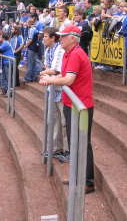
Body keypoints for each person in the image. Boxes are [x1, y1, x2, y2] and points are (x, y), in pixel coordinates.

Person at [39, 25, 95, 194]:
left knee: (82, 143)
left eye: (63, 36)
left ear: (72, 38)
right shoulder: (69, 53)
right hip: (72, 104)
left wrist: (50, 80)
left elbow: (69, 80)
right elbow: (64, 76)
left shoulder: (76, 53)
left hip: (81, 106)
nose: (60, 38)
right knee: (74, 143)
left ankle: (87, 181)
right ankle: (78, 177)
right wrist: (52, 76)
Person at [40, 27, 68, 162]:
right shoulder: (48, 50)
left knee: (64, 121)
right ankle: (57, 149)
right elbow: (47, 68)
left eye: (46, 36)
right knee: (55, 120)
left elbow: (56, 70)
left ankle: (68, 151)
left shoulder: (59, 49)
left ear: (53, 38)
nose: (43, 38)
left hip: (63, 90)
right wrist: (46, 72)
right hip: (53, 89)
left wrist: (44, 73)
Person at [23, 16, 44, 84]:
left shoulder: (32, 29)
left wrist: (25, 46)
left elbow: (30, 39)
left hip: (32, 48)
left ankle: (28, 78)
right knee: (34, 62)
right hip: (34, 47)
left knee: (31, 63)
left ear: (29, 23)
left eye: (27, 23)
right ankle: (33, 77)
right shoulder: (35, 29)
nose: (26, 24)